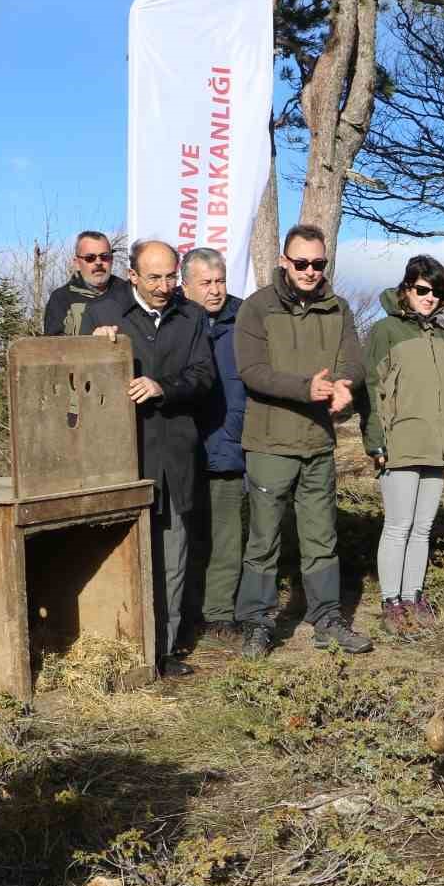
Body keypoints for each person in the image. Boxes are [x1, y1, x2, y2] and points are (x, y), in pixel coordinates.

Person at [234, 223, 370, 657]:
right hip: (270, 444)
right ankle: (257, 622)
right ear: (283, 262)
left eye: (318, 263)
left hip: (317, 444)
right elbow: (252, 371)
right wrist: (303, 388)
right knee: (263, 540)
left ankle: (327, 619)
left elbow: (353, 359)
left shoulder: (339, 308)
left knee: (321, 538)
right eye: (302, 263)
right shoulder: (256, 309)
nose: (311, 271)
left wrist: (347, 384)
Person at [84, 241, 215, 677]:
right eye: (154, 277)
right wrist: (94, 349)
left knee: (173, 553)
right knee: (121, 553)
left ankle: (165, 650)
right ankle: (120, 647)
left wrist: (163, 387)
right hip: (123, 456)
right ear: (134, 276)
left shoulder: (193, 317)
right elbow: (76, 385)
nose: (164, 286)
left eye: (170, 276)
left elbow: (204, 377)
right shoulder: (105, 317)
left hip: (175, 453)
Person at [362, 256, 444, 630]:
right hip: (399, 444)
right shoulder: (385, 332)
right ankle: (390, 602)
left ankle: (413, 597)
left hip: (437, 444)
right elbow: (372, 390)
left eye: (437, 293)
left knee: (423, 528)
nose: (429, 298)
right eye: (422, 290)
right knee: (398, 526)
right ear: (407, 289)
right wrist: (375, 441)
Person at [177, 247, 247, 643]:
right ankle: (185, 611)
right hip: (184, 449)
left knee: (225, 536)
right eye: (206, 283)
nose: (215, 290)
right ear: (186, 286)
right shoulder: (174, 323)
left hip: (228, 444)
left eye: (220, 281)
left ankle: (219, 614)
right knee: (186, 535)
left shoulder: (244, 321)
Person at [43, 230, 130, 336]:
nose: (98, 262)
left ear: (112, 259)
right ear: (77, 263)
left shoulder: (128, 294)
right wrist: (91, 342)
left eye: (104, 256)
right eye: (90, 258)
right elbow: (53, 346)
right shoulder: (61, 299)